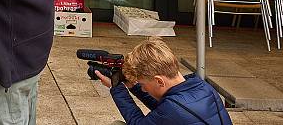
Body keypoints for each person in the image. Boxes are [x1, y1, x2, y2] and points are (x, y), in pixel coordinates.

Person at [95, 37, 232, 125]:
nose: (143, 89)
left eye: (142, 85)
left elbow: (141, 122)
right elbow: (163, 112)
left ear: (159, 81)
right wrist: (132, 86)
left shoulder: (172, 108)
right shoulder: (201, 86)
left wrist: (117, 88)